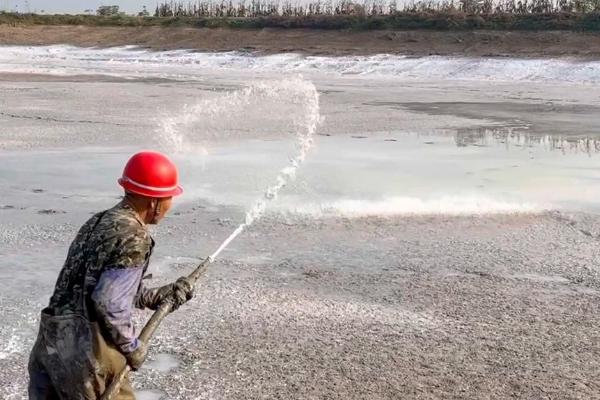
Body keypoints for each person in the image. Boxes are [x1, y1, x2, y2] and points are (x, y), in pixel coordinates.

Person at [28, 151, 194, 399]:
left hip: (50, 345)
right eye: (169, 198)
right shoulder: (135, 236)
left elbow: (94, 286)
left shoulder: (99, 221)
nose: (170, 205)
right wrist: (132, 346)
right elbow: (108, 301)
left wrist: (158, 296)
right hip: (87, 359)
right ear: (153, 201)